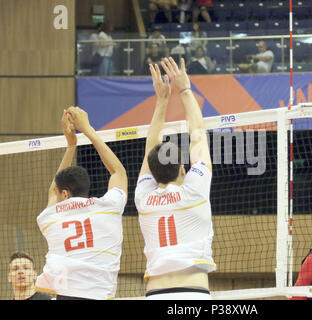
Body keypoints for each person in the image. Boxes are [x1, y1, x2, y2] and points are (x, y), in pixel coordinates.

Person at [134, 58, 215, 300]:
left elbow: (151, 146)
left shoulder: (143, 199)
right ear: (183, 169)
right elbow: (198, 135)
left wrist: (161, 99)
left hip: (154, 293)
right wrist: (185, 89)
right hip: (193, 292)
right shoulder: (195, 191)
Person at [35, 107, 128, 300]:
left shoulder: (49, 218)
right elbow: (118, 173)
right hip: (100, 295)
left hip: (65, 295)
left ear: (65, 193)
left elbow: (53, 190)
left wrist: (71, 145)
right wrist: (88, 130)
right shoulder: (108, 208)